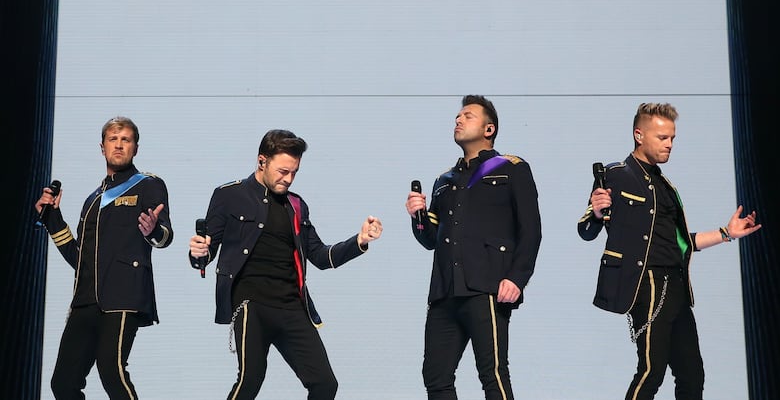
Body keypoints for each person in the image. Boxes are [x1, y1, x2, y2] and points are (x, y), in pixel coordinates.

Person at [577, 102, 762, 400]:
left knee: (692, 374)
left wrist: (727, 233)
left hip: (676, 285)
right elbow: (586, 229)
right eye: (662, 137)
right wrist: (597, 213)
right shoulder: (616, 175)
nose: (669, 144)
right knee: (651, 370)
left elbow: (682, 243)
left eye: (672, 138)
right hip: (646, 284)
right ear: (639, 135)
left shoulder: (666, 186)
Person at [188, 129, 383, 400]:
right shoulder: (228, 195)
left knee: (325, 384)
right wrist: (199, 252)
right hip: (251, 304)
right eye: (282, 171)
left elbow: (320, 256)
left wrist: (359, 240)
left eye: (294, 173)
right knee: (250, 380)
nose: (288, 179)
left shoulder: (296, 205)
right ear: (261, 161)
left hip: (292, 307)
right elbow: (206, 251)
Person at [405, 95, 543, 400]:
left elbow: (531, 231)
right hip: (444, 293)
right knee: (436, 378)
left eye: (467, 116)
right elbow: (430, 239)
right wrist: (417, 215)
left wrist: (517, 278)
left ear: (488, 128)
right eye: (457, 116)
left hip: (487, 289)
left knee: (492, 374)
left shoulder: (512, 168)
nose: (458, 120)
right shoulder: (444, 180)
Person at [35, 116, 173, 399]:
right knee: (63, 384)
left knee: (112, 371)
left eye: (126, 140)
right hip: (84, 301)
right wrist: (52, 219)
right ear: (102, 147)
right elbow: (80, 258)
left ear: (135, 147)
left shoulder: (148, 184)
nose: (119, 145)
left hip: (123, 296)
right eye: (113, 139)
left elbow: (165, 236)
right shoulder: (93, 199)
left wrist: (153, 231)